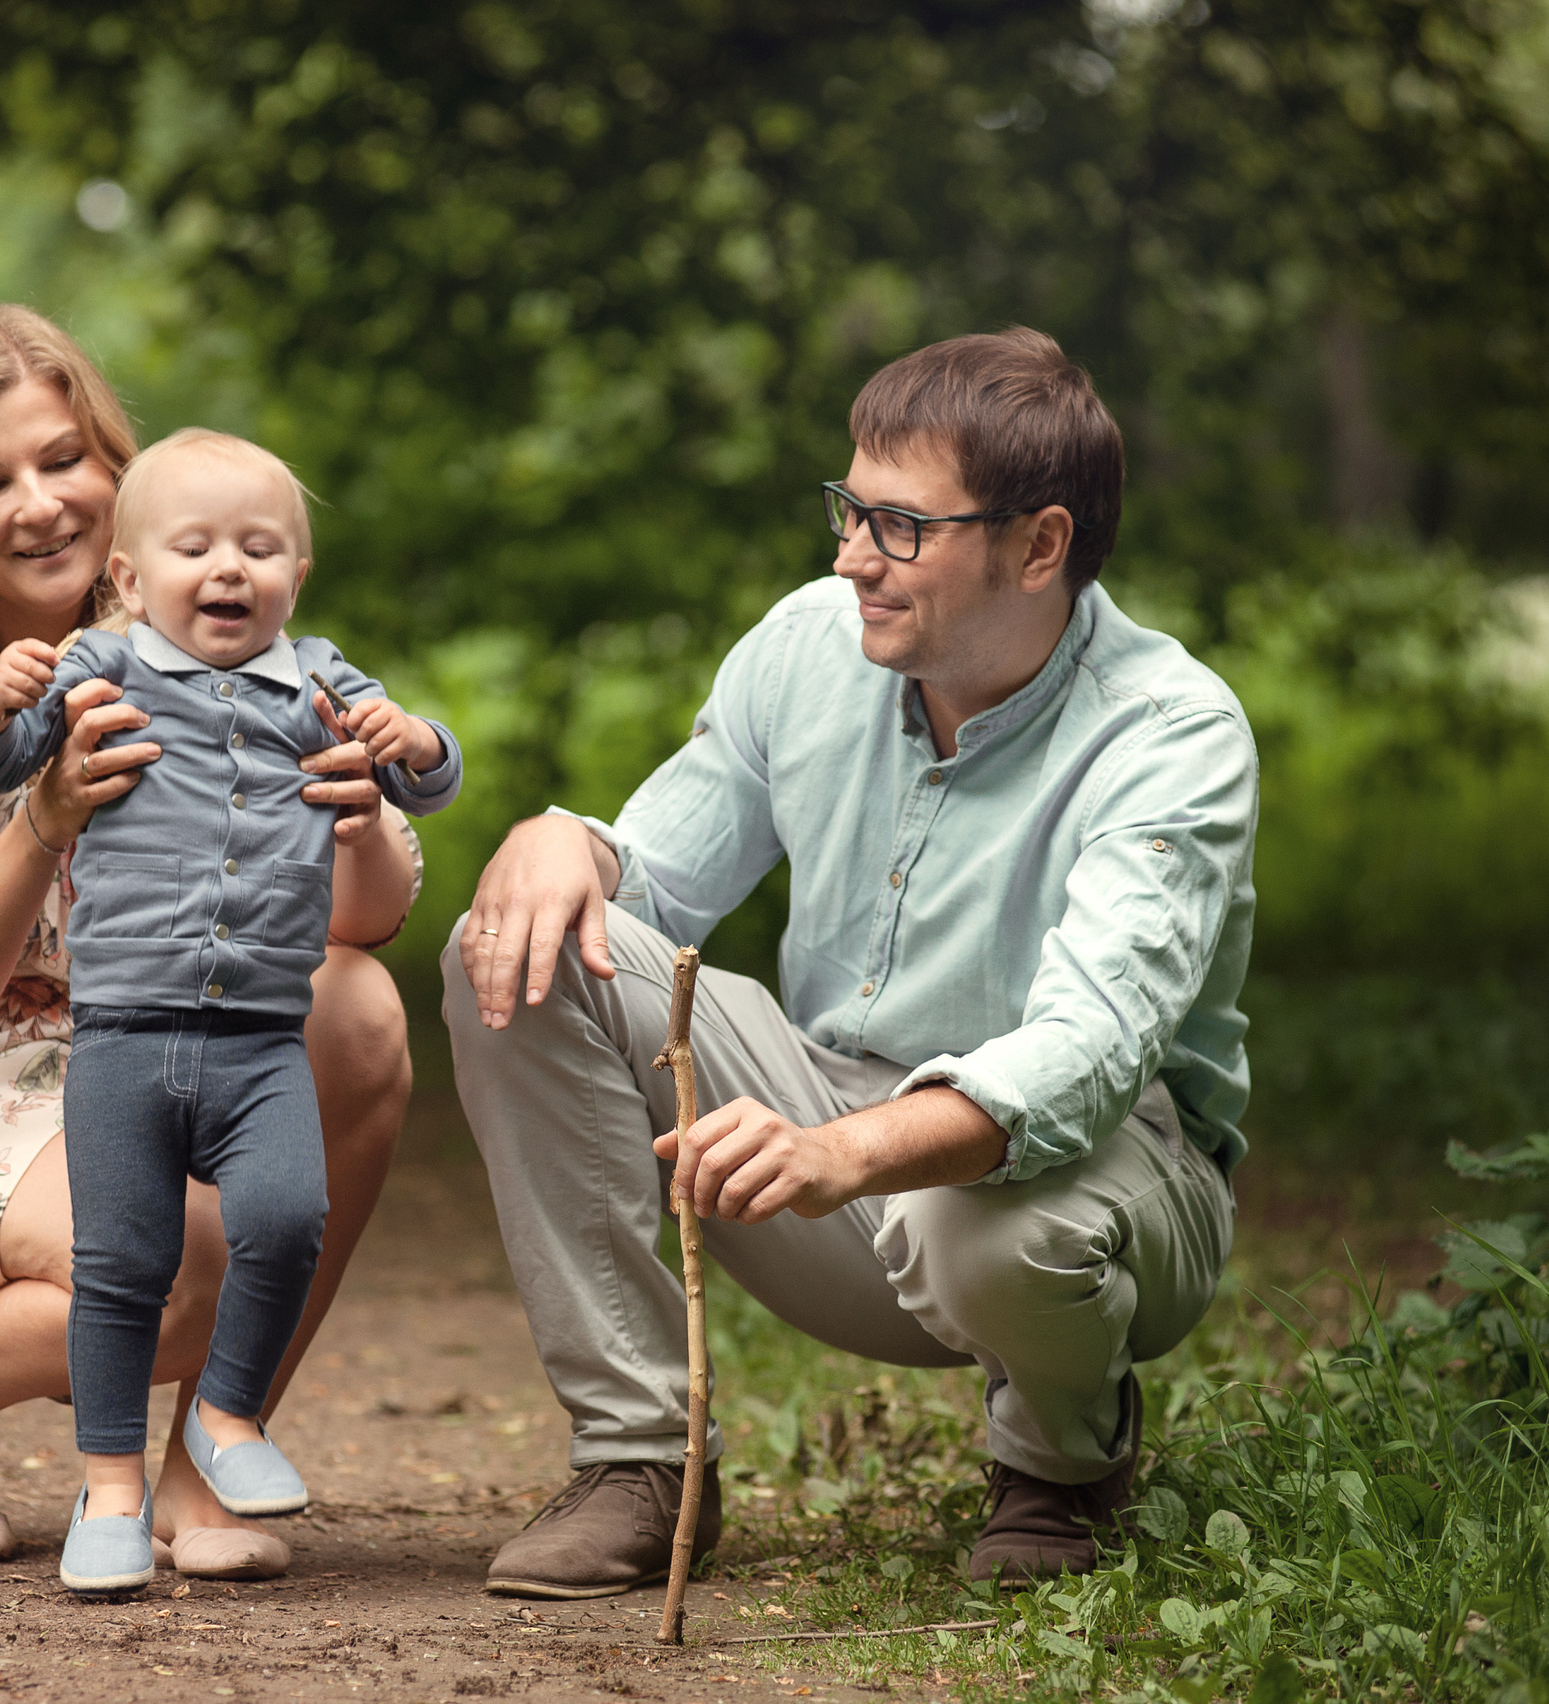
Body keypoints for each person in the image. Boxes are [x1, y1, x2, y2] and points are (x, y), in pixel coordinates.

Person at [442, 328, 1252, 1594]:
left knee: (981, 1231)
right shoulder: (808, 642)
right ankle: (644, 1461)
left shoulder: (1171, 734)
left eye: (898, 528)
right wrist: (567, 843)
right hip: (828, 1139)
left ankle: (1060, 1466)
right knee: (526, 942)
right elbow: (654, 871)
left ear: (1039, 545)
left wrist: (842, 1153)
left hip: (1098, 1187)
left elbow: (1088, 1056)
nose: (848, 559)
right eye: (847, 510)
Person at [0, 307, 422, 1584]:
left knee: (358, 1008)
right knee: (177, 1260)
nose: (42, 504)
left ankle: (200, 1466)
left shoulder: (247, 660)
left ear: (120, 476)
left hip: (168, 1037)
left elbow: (361, 923)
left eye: (66, 459)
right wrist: (40, 821)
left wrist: (357, 812)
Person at [0, 427, 460, 1592]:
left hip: (262, 1038)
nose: (228, 569)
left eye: (259, 548)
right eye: (194, 547)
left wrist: (411, 743)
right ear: (128, 576)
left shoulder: (321, 681)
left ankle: (228, 1417)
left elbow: (426, 776)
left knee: (285, 1218)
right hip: (125, 1036)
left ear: (297, 576)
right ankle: (111, 1495)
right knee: (123, 1264)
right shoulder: (102, 668)